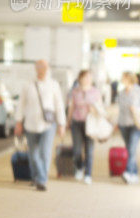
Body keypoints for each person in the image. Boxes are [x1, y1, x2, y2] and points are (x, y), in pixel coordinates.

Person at [14, 60, 66, 191]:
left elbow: (59, 105)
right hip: (30, 124)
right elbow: (21, 104)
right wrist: (18, 122)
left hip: (48, 125)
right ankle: (35, 177)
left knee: (45, 152)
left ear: (47, 68)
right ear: (36, 68)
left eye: (44, 66)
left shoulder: (53, 85)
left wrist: (62, 124)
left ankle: (42, 180)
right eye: (39, 66)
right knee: (33, 154)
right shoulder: (28, 85)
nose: (42, 69)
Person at [67, 69, 101, 185]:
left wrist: (94, 110)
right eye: (84, 77)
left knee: (89, 150)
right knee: (76, 149)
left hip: (90, 124)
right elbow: (71, 107)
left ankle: (88, 174)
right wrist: (68, 121)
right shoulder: (75, 92)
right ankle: (79, 167)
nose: (86, 79)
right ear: (80, 78)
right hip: (76, 122)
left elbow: (100, 108)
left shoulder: (96, 92)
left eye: (89, 77)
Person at [117, 71, 140, 185]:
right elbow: (120, 110)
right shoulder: (121, 93)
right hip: (124, 124)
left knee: (131, 149)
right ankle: (135, 173)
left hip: (136, 124)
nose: (122, 80)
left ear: (130, 79)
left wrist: (137, 109)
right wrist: (116, 123)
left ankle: (128, 172)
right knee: (129, 150)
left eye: (124, 78)